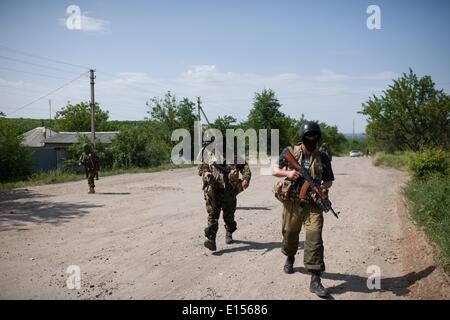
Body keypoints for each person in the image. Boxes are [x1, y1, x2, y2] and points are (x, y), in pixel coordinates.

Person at [272, 121, 335, 298]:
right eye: (309, 136)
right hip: (293, 202)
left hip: (313, 205)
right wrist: (288, 174)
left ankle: (315, 279)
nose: (312, 139)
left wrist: (321, 189)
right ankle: (290, 256)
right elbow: (275, 170)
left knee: (315, 237)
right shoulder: (291, 152)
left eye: (315, 136)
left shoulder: (322, 157)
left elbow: (329, 180)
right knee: (290, 234)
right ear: (302, 137)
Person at [198, 139, 251, 251]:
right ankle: (211, 239)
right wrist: (206, 173)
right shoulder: (209, 155)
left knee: (229, 216)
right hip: (214, 191)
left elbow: (245, 167)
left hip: (229, 192)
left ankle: (229, 231)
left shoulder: (233, 156)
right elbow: (202, 168)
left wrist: (246, 178)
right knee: (213, 215)